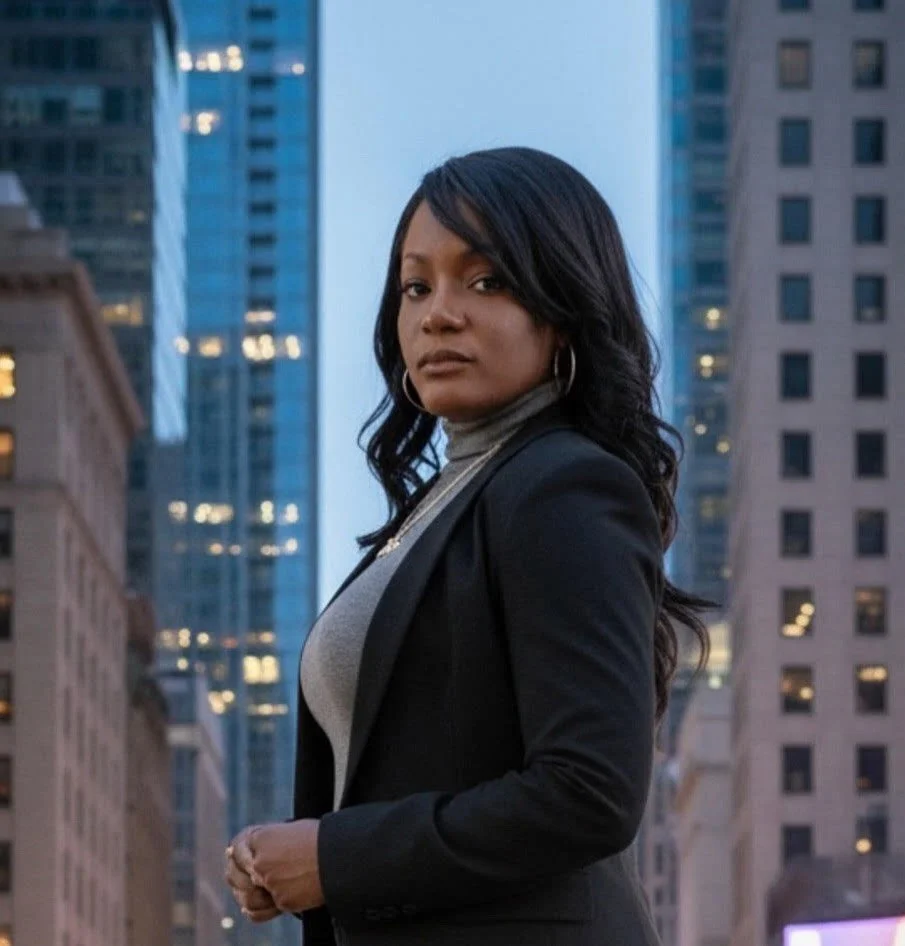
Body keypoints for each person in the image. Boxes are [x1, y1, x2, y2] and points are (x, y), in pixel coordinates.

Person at [225, 146, 712, 946]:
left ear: (563, 310)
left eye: (485, 281)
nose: (436, 314)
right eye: (416, 286)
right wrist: (288, 862)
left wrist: (334, 856)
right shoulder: (443, 504)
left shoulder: (563, 487)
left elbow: (589, 791)